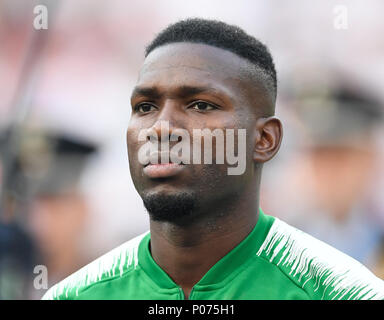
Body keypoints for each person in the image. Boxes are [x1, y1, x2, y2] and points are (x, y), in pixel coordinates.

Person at [43, 18, 384, 300]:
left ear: (265, 140)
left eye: (201, 105)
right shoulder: (73, 296)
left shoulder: (341, 292)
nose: (161, 128)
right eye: (145, 106)